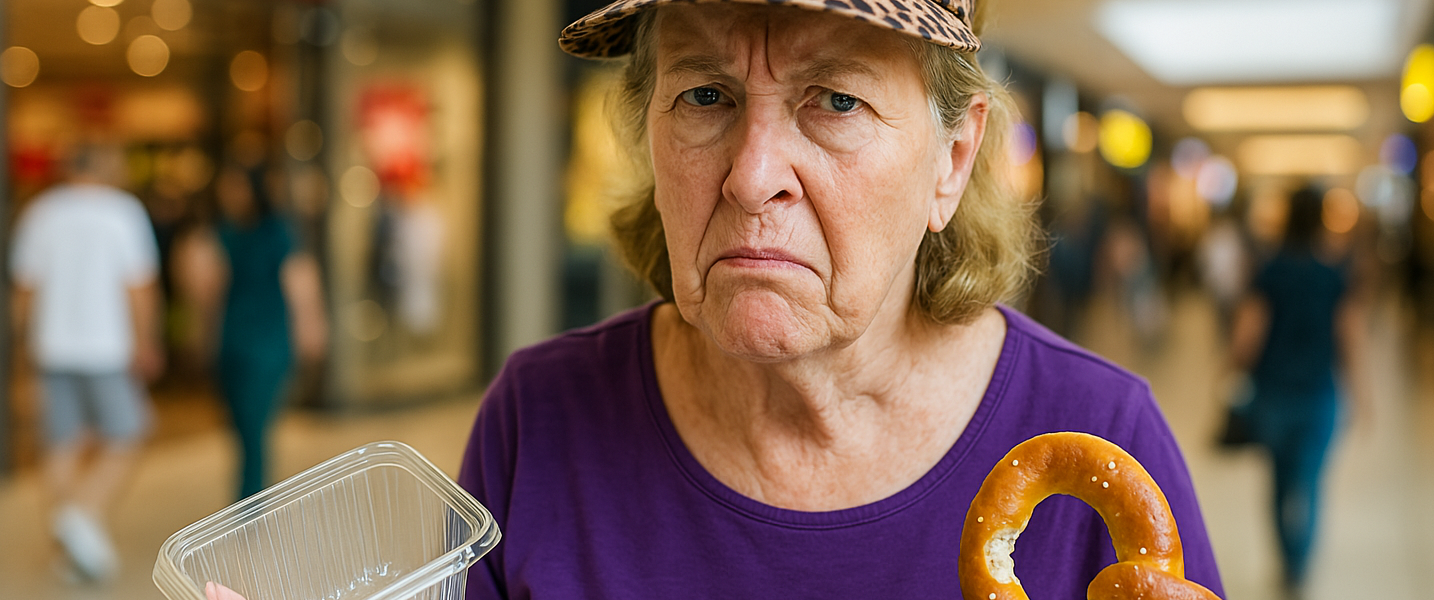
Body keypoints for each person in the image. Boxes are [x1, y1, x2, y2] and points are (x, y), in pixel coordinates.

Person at [458, 1, 1224, 598]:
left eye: (836, 101)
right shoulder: (537, 420)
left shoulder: (1103, 429)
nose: (753, 177)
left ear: (951, 162)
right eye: (703, 94)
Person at [11, 143, 163, 582]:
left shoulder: (40, 213)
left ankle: (72, 548)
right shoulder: (123, 211)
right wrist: (146, 341)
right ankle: (81, 514)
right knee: (131, 431)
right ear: (107, 166)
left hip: (52, 346)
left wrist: (22, 349)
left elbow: (24, 291)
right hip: (106, 348)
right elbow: (139, 286)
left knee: (60, 444)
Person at [1229, 187, 1369, 595]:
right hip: (1319, 397)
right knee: (1309, 484)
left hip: (1272, 394)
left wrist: (1230, 369)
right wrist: (1363, 395)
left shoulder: (1270, 270)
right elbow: (1351, 337)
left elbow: (1248, 332)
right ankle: (1299, 565)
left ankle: (1287, 558)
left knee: (1277, 482)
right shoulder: (1335, 274)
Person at [178, 164, 327, 500]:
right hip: (232, 341)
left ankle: (250, 501)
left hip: (268, 343)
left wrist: (311, 328)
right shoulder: (221, 233)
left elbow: (300, 283)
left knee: (255, 424)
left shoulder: (277, 232)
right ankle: (249, 498)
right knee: (242, 427)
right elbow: (206, 293)